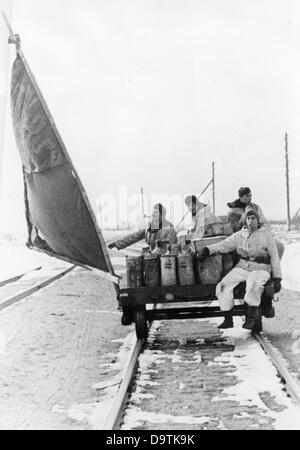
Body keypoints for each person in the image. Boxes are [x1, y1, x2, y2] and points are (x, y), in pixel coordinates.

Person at [197, 209, 282, 331]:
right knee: (223, 286)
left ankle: (251, 318)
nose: (251, 221)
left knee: (253, 285)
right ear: (245, 221)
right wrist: (207, 250)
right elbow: (224, 245)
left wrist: (277, 278)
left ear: (258, 221)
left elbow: (274, 257)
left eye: (253, 218)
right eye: (248, 218)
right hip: (243, 267)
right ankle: (227, 318)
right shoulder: (239, 235)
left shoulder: (266, 235)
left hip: (261, 268)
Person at [227, 187, 284, 259]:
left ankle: (273, 268)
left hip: (259, 236)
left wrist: (264, 233)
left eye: (251, 195)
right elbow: (235, 228)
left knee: (279, 246)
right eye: (247, 196)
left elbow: (264, 222)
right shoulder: (233, 211)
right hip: (243, 239)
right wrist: (246, 215)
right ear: (240, 197)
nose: (250, 198)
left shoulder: (256, 207)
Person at [108, 203, 177, 251]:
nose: (153, 214)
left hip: (164, 260)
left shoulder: (169, 230)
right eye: (152, 212)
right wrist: (116, 243)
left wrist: (162, 245)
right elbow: (134, 236)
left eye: (155, 212)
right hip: (152, 258)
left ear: (162, 215)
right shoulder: (149, 228)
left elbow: (172, 247)